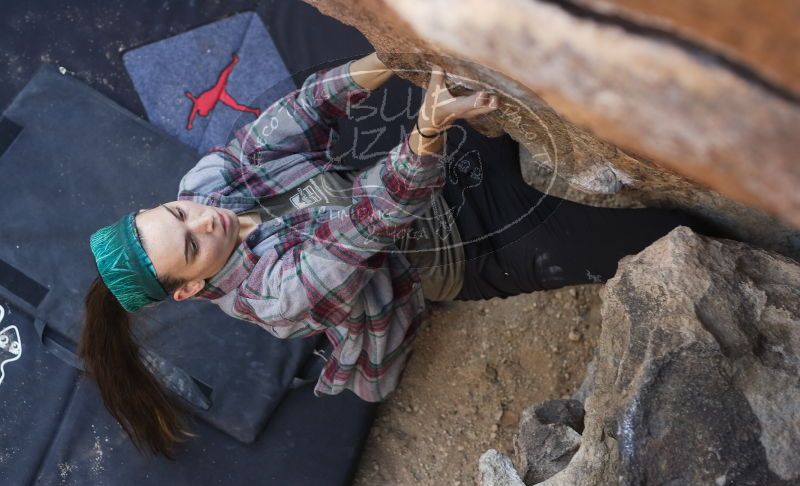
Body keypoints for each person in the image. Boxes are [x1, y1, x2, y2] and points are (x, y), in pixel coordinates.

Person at [80, 51, 715, 459]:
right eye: (192, 244)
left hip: (421, 168)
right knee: (673, 230)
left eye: (176, 214)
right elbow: (368, 222)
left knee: (541, 79)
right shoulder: (274, 296)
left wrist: (390, 55)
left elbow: (299, 112)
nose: (203, 218)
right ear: (189, 288)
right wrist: (429, 128)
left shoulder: (204, 188)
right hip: (462, 247)